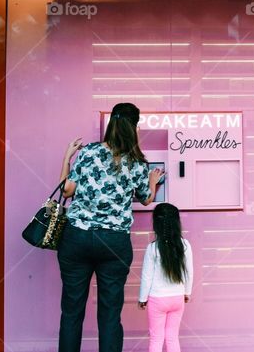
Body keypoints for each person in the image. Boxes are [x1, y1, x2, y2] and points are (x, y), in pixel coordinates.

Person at [57, 102, 164, 352]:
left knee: (72, 311)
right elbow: (147, 198)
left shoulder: (88, 153)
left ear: (111, 125)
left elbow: (66, 190)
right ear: (134, 128)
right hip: (114, 242)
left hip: (77, 238)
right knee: (109, 314)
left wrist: (67, 157)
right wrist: (152, 179)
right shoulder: (137, 162)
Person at [138, 203, 193, 352]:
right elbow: (189, 271)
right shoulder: (185, 245)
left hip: (157, 299)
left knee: (156, 338)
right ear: (177, 223)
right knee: (172, 337)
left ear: (156, 223)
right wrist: (187, 292)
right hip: (177, 298)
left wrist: (142, 298)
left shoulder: (153, 248)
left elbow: (146, 276)